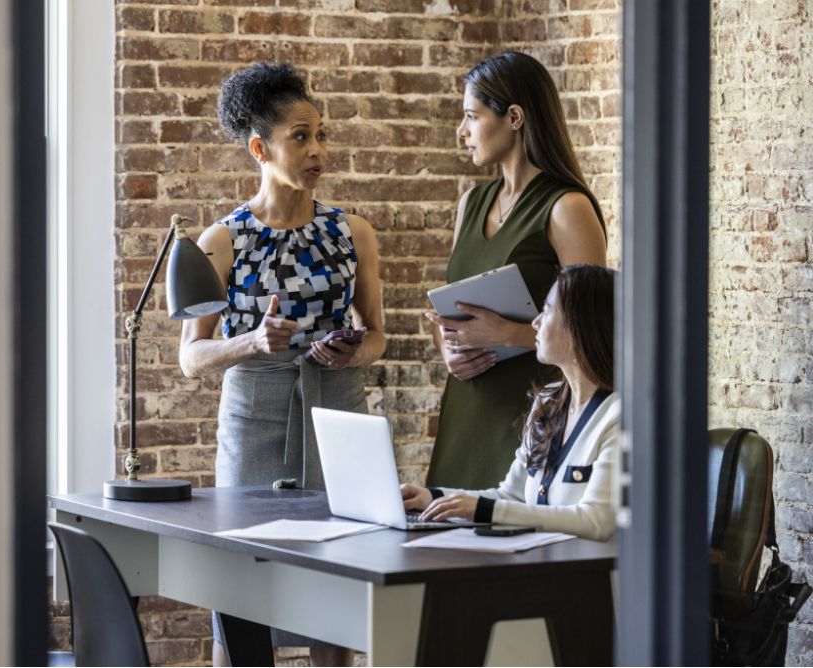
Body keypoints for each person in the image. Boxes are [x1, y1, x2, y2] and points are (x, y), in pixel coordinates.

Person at [179, 62, 384, 668]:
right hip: (253, 421)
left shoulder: (354, 234)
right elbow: (192, 357)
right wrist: (252, 342)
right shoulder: (221, 241)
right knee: (239, 593)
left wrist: (354, 347)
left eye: (321, 135)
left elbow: (378, 338)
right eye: (301, 136)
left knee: (337, 591)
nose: (318, 149)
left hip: (339, 417)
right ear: (259, 148)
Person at [424, 50, 609, 491]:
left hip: (533, 409)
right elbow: (454, 311)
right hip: (467, 408)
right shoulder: (472, 203)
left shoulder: (567, 207)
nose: (461, 131)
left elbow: (596, 331)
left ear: (514, 117)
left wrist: (508, 335)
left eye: (471, 116)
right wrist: (450, 349)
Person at [403, 264, 618, 541]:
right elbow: (509, 496)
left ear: (581, 325)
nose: (536, 322)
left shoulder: (621, 417)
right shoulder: (548, 403)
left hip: (591, 577)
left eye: (549, 310)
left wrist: (484, 511)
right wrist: (431, 496)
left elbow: (595, 521)